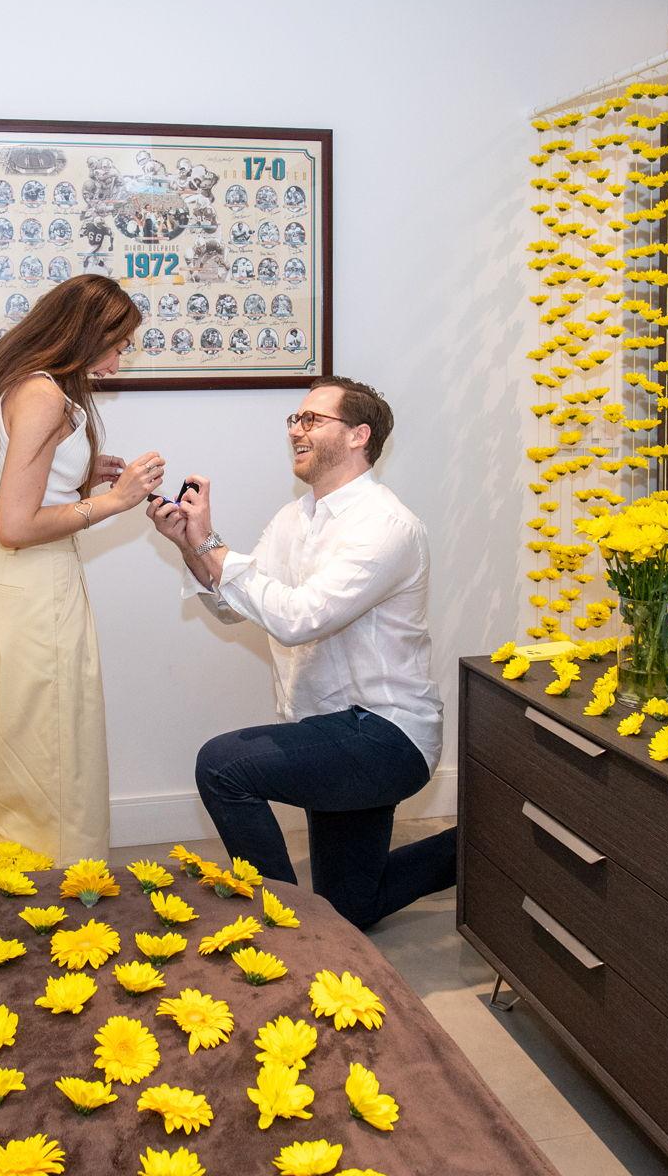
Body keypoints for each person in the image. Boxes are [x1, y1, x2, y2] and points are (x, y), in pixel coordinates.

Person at [147, 375, 456, 929]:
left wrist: (212, 543)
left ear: (359, 435)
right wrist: (192, 545)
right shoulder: (296, 517)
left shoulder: (386, 526)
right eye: (295, 419)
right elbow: (234, 607)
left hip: (384, 734)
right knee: (351, 908)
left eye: (313, 419)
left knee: (222, 766)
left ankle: (283, 922)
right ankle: (482, 842)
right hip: (327, 728)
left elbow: (297, 620)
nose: (296, 429)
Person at [0, 274, 165, 864]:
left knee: (11, 759)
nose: (116, 365)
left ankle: (17, 886)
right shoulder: (44, 396)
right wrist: (115, 501)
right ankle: (62, 897)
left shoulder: (13, 381)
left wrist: (78, 472)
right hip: (34, 585)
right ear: (85, 333)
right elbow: (19, 525)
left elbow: (7, 495)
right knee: (53, 762)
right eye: (117, 347)